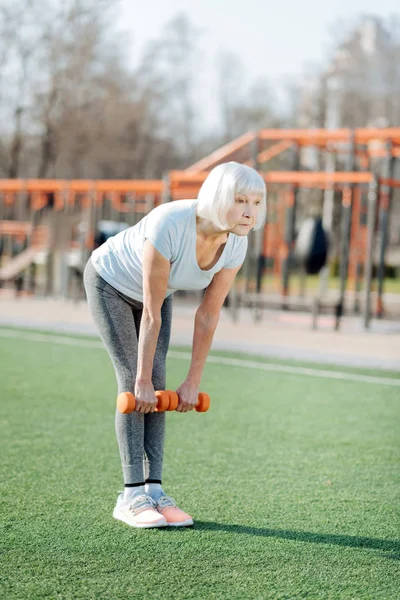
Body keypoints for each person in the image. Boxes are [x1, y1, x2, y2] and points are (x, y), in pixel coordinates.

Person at [83, 161, 267, 528]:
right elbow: (151, 314)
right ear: (217, 198)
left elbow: (208, 315)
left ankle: (154, 489)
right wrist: (142, 383)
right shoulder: (170, 223)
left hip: (157, 293)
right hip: (111, 285)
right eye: (241, 200)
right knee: (135, 379)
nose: (250, 211)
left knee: (159, 379)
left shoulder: (235, 244)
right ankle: (131, 494)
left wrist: (192, 382)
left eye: (258, 202)